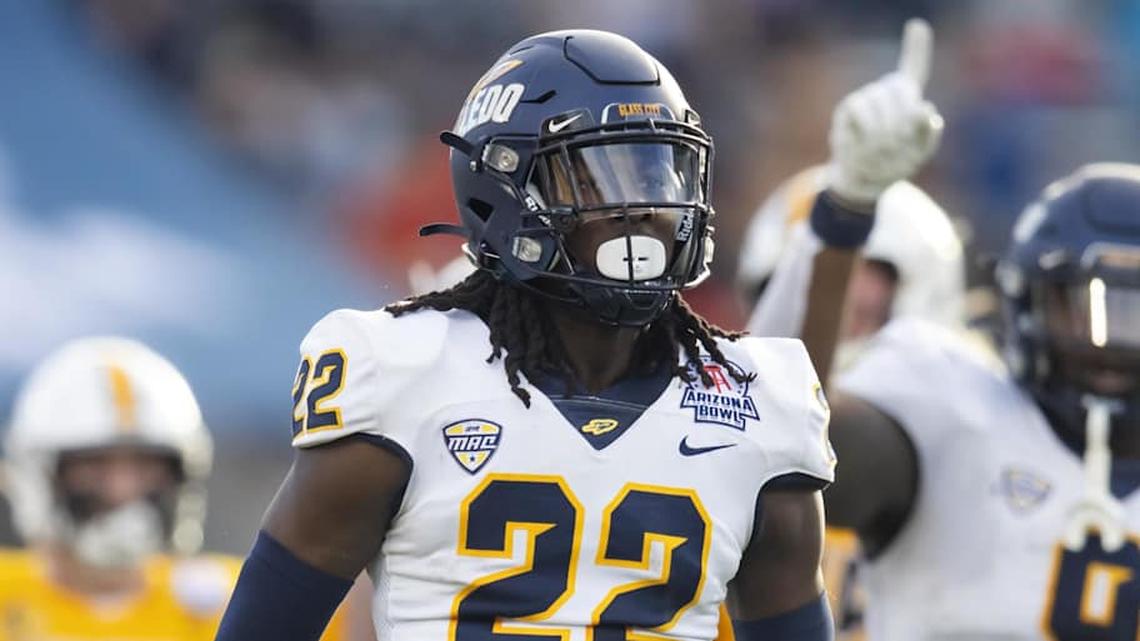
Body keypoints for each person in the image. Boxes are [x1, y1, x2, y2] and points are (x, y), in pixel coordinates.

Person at [215, 26, 939, 641]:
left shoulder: (760, 401)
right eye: (601, 175)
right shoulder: (404, 372)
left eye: (663, 169)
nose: (647, 206)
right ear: (503, 188)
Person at [748, 29, 1140, 635]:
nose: (1112, 342)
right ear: (1026, 301)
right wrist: (845, 213)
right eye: (1082, 307)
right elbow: (770, 434)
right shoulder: (951, 406)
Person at [0, 337, 360, 641]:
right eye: (95, 467)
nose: (123, 489)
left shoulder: (235, 601)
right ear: (39, 475)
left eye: (146, 467)